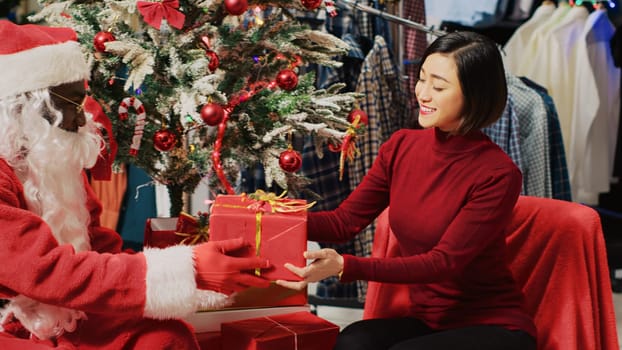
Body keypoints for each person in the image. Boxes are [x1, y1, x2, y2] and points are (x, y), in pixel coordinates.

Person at [0, 20, 271, 349]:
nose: (83, 117)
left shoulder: (51, 158)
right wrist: (190, 271)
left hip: (61, 313)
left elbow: (98, 246)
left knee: (163, 338)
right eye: (71, 104)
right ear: (25, 105)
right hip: (11, 318)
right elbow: (45, 270)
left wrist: (189, 276)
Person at [276, 31, 537, 350]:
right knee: (351, 342)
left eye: (438, 86)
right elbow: (345, 222)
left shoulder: (497, 173)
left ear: (475, 94)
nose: (423, 94)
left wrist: (347, 266)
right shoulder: (401, 145)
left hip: (492, 324)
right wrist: (273, 216)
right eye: (422, 79)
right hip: (429, 320)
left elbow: (443, 263)